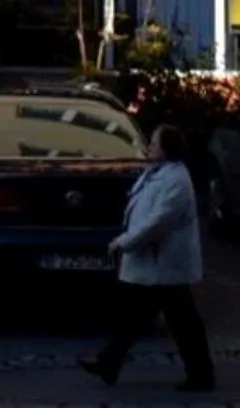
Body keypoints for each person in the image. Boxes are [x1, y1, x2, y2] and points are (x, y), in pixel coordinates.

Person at [79, 124, 215, 394]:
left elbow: (158, 221)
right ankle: (109, 362)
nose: (149, 147)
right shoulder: (158, 174)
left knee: (179, 322)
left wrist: (124, 242)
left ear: (167, 148)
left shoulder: (175, 180)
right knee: (146, 317)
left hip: (163, 263)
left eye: (154, 143)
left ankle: (200, 375)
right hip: (155, 262)